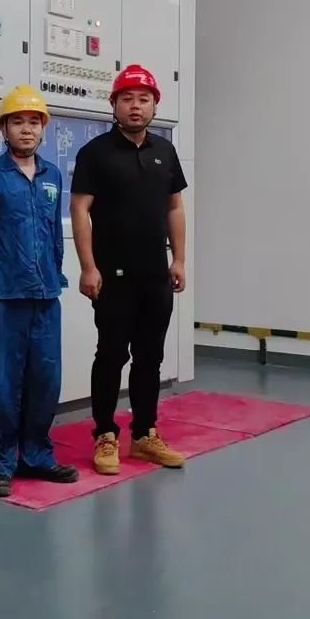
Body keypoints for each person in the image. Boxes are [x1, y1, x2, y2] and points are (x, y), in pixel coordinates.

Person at [70, 63, 188, 476]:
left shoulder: (165, 152)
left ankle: (144, 435)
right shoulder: (95, 153)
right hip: (112, 276)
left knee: (150, 357)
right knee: (111, 354)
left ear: (155, 106)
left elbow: (175, 207)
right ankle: (105, 434)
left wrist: (179, 259)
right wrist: (88, 267)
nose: (135, 106)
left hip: (155, 276)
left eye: (144, 99)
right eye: (127, 99)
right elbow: (80, 210)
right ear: (114, 105)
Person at [0, 85, 79, 498]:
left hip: (45, 295)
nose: (26, 129)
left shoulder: (52, 175)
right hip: (1, 295)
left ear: (43, 128)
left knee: (45, 380)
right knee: (1, 383)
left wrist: (56, 274)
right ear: (3, 128)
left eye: (34, 122)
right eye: (18, 122)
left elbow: (54, 235)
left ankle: (36, 456)